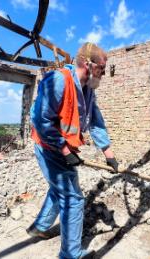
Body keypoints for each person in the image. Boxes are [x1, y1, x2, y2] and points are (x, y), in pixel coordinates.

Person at [29, 42, 119, 259]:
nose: (104, 74)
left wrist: (109, 154)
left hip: (63, 148)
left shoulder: (87, 89)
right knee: (73, 198)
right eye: (102, 69)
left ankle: (39, 227)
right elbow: (40, 120)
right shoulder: (59, 81)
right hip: (49, 146)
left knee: (59, 188)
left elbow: (95, 121)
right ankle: (71, 254)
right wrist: (64, 149)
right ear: (88, 64)